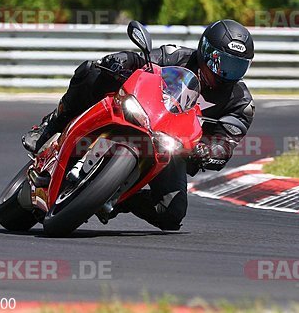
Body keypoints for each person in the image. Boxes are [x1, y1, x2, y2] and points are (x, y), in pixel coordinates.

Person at [21, 19, 255, 230]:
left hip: (172, 149)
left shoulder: (241, 102)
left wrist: (209, 151)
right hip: (141, 112)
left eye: (236, 67)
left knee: (171, 215)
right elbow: (144, 61)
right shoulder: (178, 56)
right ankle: (50, 126)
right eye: (222, 63)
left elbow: (227, 139)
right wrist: (122, 59)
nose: (227, 73)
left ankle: (116, 197)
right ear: (205, 51)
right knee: (91, 71)